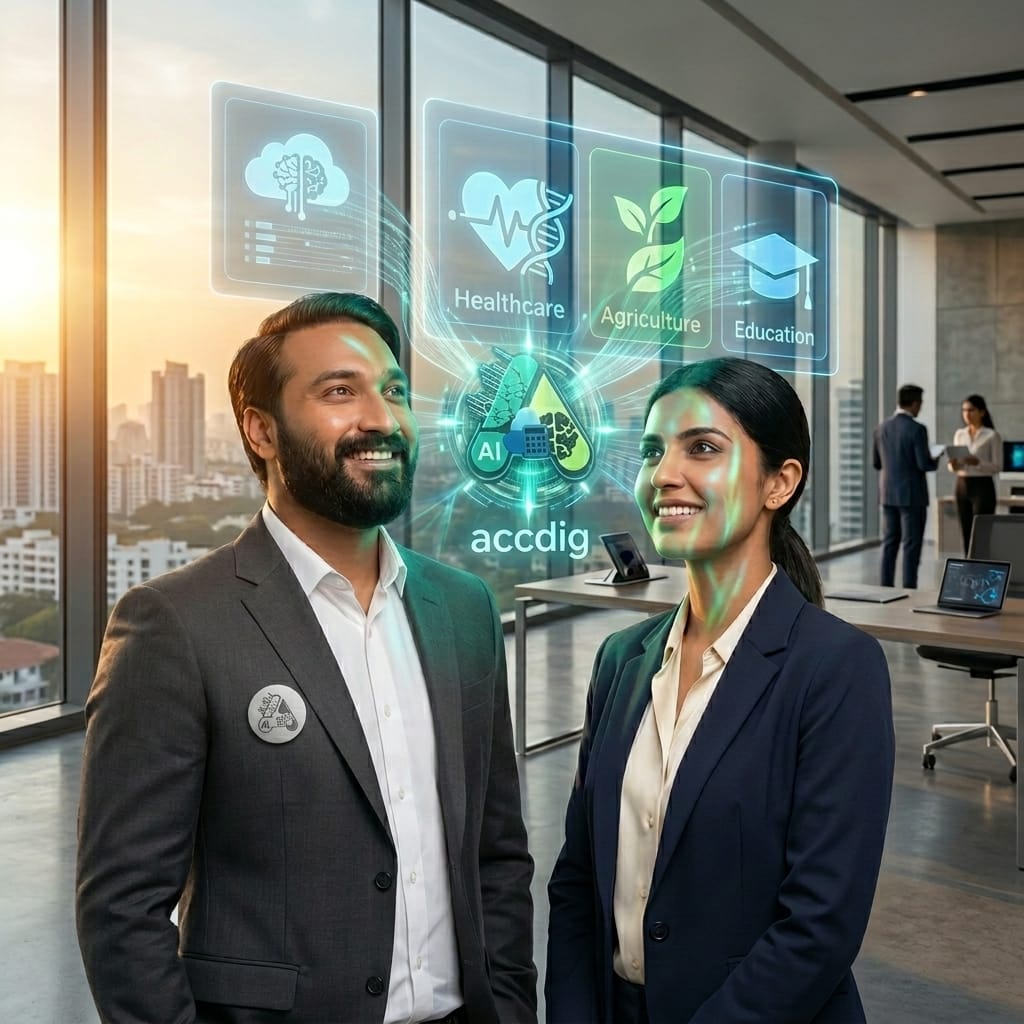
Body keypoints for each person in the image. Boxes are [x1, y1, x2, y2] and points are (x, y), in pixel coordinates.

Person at [76, 292, 537, 1024]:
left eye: (393, 392)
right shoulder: (177, 624)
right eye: (338, 392)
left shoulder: (464, 610)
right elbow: (122, 909)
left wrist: (511, 1008)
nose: (381, 419)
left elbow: (497, 855)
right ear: (261, 430)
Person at [546, 357, 894, 1024]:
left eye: (702, 448)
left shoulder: (836, 668)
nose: (664, 475)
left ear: (779, 482)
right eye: (653, 450)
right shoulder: (622, 660)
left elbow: (818, 928)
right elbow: (577, 879)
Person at [873, 384, 940, 588]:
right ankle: (910, 589)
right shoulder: (917, 429)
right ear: (914, 403)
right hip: (912, 496)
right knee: (911, 545)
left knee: (890, 543)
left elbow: (876, 463)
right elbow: (924, 464)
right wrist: (935, 458)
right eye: (920, 403)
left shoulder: (881, 427)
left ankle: (885, 587)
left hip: (888, 494)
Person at [949, 393, 1002, 553]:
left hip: (982, 486)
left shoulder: (992, 435)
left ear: (982, 412)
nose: (967, 414)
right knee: (965, 528)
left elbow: (997, 466)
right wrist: (953, 465)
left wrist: (977, 462)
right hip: (962, 484)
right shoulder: (960, 434)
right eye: (964, 410)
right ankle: (968, 564)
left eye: (971, 410)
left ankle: (982, 564)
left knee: (981, 529)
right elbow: (955, 467)